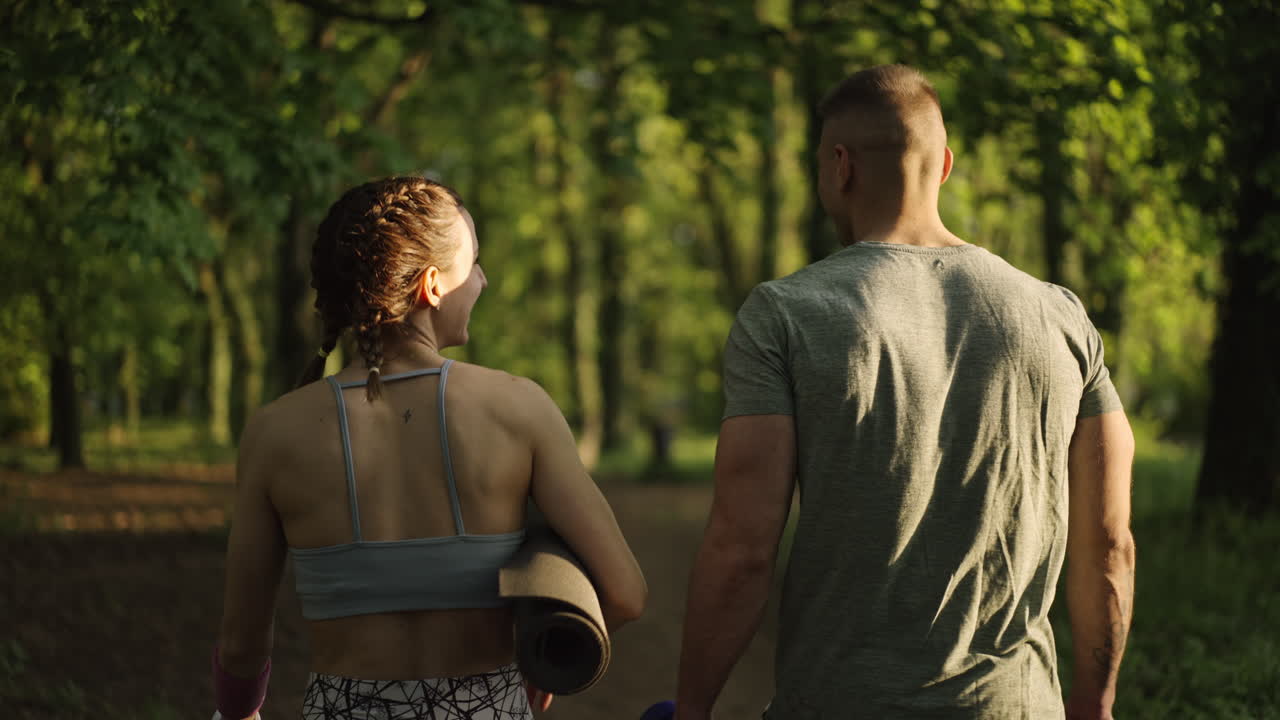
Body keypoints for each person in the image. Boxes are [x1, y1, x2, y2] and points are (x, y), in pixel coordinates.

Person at [674, 65, 1136, 719]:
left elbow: (742, 549)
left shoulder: (785, 315)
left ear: (840, 167)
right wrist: (1096, 703)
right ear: (943, 166)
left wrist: (692, 708)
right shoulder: (1061, 318)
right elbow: (1110, 543)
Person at [212, 176, 647, 720]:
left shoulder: (274, 432)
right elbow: (625, 593)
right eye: (475, 263)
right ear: (433, 285)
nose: (483, 280)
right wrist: (543, 658)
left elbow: (241, 645)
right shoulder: (519, 408)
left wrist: (239, 712)